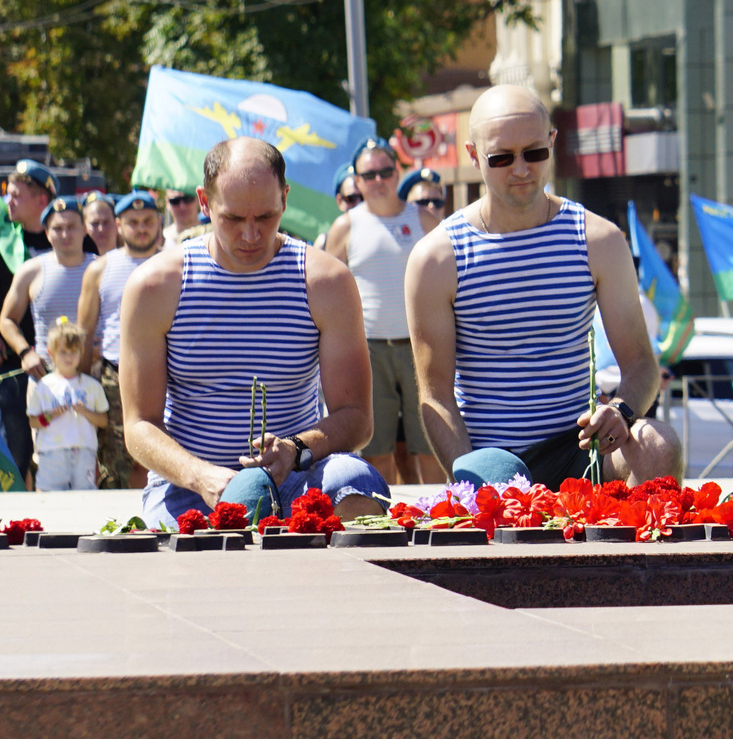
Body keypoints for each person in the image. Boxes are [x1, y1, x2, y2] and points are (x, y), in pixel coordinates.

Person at [405, 85, 681, 488]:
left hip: (579, 447)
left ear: (552, 142)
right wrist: (473, 484)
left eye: (534, 153)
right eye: (501, 157)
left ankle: (634, 553)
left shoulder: (597, 239)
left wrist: (620, 412)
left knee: (658, 444)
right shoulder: (437, 258)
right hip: (490, 458)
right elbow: (436, 396)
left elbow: (641, 363)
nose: (521, 169)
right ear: (472, 156)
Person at [122, 137, 388, 528]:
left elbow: (357, 419)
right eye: (232, 219)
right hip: (188, 486)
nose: (250, 236)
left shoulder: (325, 281)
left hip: (296, 478)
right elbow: (138, 426)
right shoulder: (156, 285)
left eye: (265, 217)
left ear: (285, 197)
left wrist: (296, 449)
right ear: (204, 202)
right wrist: (201, 475)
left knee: (356, 484)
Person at [323, 139, 441, 485]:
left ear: (397, 172)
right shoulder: (345, 226)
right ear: (357, 181)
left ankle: (444, 516)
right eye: (369, 174)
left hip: (422, 346)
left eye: (385, 172)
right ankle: (385, 520)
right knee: (376, 448)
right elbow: (328, 291)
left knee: (430, 445)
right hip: (368, 349)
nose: (378, 180)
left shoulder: (424, 219)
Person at [0, 195, 93, 485]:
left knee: (93, 463)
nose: (65, 234)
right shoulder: (31, 270)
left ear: (84, 229)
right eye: (57, 228)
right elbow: (6, 319)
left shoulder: (101, 267)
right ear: (47, 231)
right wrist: (25, 351)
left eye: (72, 227)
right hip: (46, 384)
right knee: (47, 462)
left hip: (92, 379)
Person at [76, 191, 164, 488]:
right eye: (133, 221)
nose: (141, 228)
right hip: (113, 377)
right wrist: (82, 384)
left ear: (159, 222)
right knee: (114, 463)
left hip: (167, 375)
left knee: (162, 459)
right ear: (118, 224)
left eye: (148, 221)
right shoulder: (100, 269)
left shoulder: (175, 262)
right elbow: (85, 332)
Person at [0, 159, 56, 475]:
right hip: (15, 367)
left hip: (66, 364)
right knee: (17, 452)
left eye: (16, 194)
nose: (8, 200)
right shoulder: (3, 242)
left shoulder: (72, 239)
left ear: (41, 200)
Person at [26, 318, 107, 492]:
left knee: (84, 495)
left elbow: (103, 420)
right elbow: (33, 422)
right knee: (48, 495)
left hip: (84, 451)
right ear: (51, 353)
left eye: (74, 351)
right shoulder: (44, 386)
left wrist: (85, 411)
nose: (69, 357)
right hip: (52, 452)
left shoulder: (92, 386)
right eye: (63, 352)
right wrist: (51, 415)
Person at [80, 192, 118, 257]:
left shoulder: (133, 263)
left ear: (117, 224)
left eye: (106, 222)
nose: (101, 229)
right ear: (83, 228)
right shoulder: (74, 265)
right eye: (95, 223)